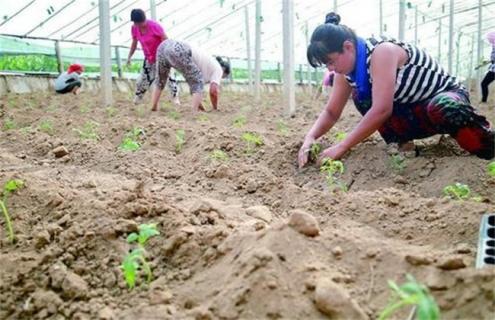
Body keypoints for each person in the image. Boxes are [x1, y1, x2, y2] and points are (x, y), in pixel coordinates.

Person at [298, 12, 494, 168]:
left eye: (331, 61)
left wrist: (341, 147)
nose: (330, 69)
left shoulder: (382, 52)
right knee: (362, 96)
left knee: (443, 107)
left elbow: (382, 110)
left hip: (442, 99)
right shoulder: (346, 71)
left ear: (348, 47)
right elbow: (332, 112)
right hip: (413, 112)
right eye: (326, 65)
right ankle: (403, 144)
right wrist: (310, 137)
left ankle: (487, 145)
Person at [151, 39, 231, 112]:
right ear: (224, 71)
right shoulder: (219, 69)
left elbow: (194, 88)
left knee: (161, 79)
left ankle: (154, 107)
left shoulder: (207, 65)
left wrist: (201, 106)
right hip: (180, 50)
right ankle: (194, 112)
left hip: (163, 46)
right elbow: (213, 91)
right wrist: (215, 108)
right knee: (198, 81)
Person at [127, 9, 180, 105]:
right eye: (138, 23)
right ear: (135, 22)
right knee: (143, 79)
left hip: (162, 57)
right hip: (149, 58)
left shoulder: (154, 26)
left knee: (169, 77)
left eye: (143, 22)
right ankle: (138, 97)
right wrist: (129, 56)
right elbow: (134, 43)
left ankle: (175, 98)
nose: (141, 25)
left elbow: (166, 40)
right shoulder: (134, 28)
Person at [480, 31, 495, 104]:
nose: (489, 40)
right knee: (484, 83)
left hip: (493, 70)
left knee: (484, 83)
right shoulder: (493, 46)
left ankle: (484, 101)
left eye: (490, 39)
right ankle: (484, 100)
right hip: (493, 69)